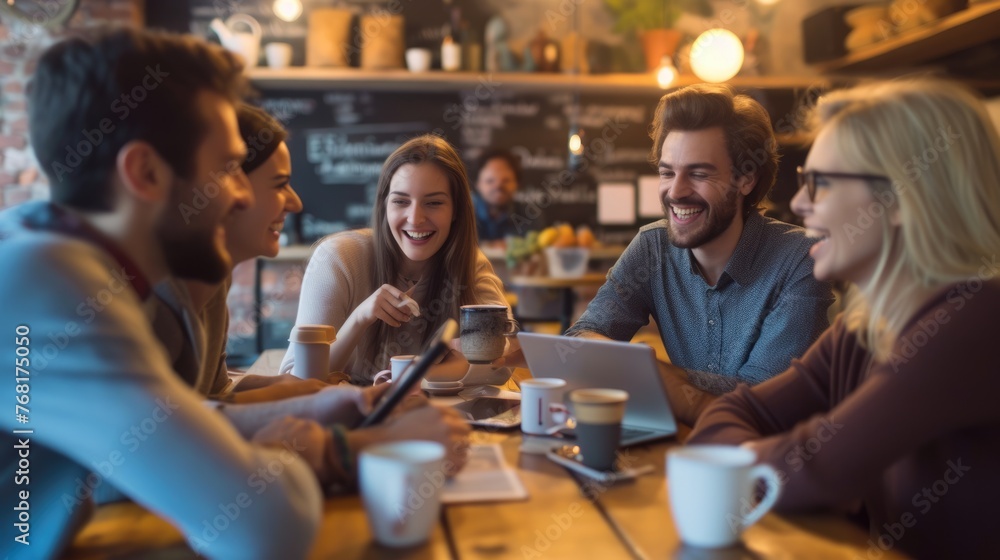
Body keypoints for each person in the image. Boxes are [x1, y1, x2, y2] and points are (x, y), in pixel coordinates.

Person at [0, 28, 322, 558]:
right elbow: (268, 527)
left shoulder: (54, 256)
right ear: (145, 173)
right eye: (226, 169)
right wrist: (285, 452)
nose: (242, 194)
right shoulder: (48, 280)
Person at [687, 79, 1000, 558]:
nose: (798, 203)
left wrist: (762, 467)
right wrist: (777, 467)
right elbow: (732, 413)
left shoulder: (977, 319)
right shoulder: (866, 327)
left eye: (821, 183)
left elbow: (811, 469)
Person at [150, 104, 470, 486]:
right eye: (279, 183)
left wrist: (324, 399)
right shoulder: (156, 293)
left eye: (434, 202)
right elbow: (169, 438)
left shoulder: (214, 283)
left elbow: (215, 399)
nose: (296, 202)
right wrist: (360, 442)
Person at [563, 84, 834, 425]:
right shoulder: (652, 248)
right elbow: (581, 337)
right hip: (685, 447)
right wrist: (635, 366)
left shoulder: (799, 260)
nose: (675, 192)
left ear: (745, 178)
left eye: (698, 173)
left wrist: (643, 369)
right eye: (667, 172)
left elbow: (764, 400)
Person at [280, 134, 510, 384]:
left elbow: (498, 364)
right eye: (401, 201)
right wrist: (359, 318)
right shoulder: (338, 258)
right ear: (384, 206)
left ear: (456, 211)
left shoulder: (470, 262)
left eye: (433, 203)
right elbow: (295, 381)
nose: (415, 218)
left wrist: (405, 380)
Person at [472, 148, 522, 243]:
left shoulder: (531, 216)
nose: (498, 186)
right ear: (477, 184)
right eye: (490, 181)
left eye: (506, 181)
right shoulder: (461, 214)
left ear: (517, 184)